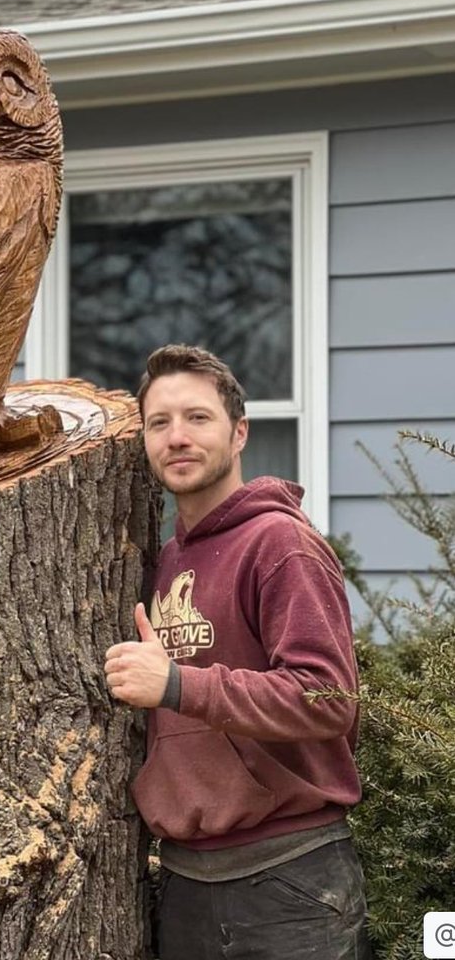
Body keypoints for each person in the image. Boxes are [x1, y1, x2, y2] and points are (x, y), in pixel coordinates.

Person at [104, 344, 371, 960]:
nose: (177, 437)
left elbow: (325, 698)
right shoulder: (163, 560)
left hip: (290, 881)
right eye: (159, 423)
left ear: (240, 431)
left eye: (198, 418)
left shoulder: (280, 544)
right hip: (187, 884)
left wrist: (178, 685)